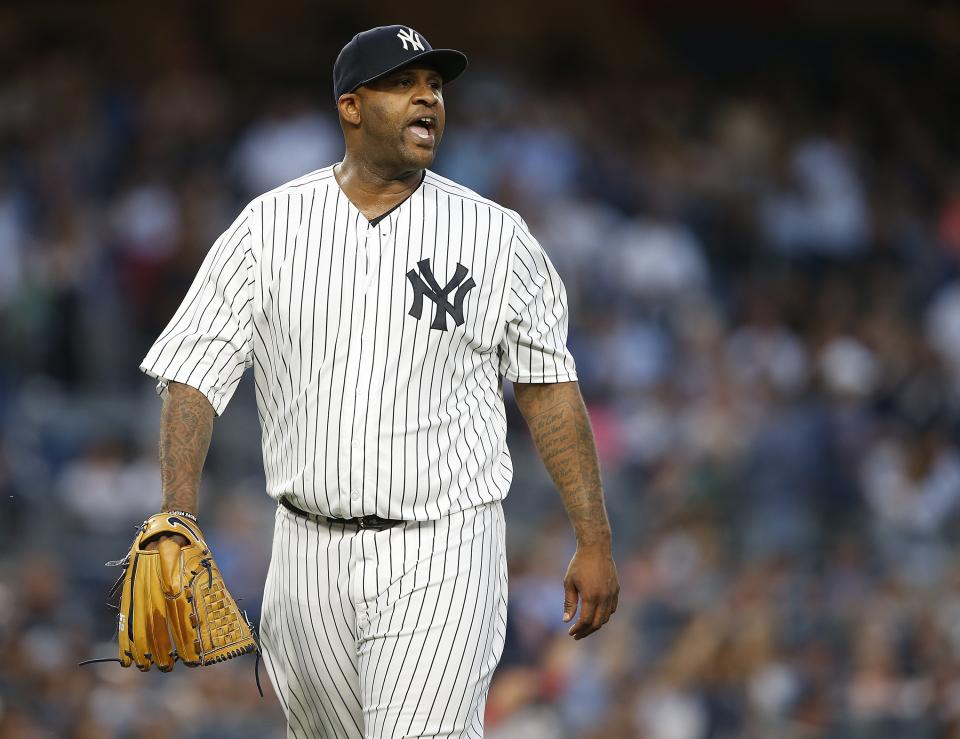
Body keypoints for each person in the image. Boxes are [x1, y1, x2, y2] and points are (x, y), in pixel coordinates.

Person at [139, 24, 619, 738]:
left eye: (434, 87)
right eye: (404, 84)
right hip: (303, 552)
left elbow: (547, 385)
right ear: (351, 106)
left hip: (443, 544)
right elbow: (192, 376)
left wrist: (594, 535)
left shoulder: (495, 235)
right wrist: (176, 515)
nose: (428, 97)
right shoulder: (268, 227)